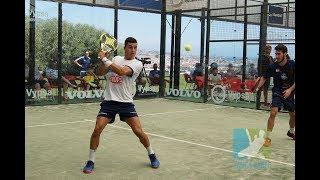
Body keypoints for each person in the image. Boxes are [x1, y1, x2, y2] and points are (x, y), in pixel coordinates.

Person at [82, 37, 160, 174]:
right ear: (124, 48)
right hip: (109, 101)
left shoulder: (137, 64)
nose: (133, 50)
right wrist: (103, 60)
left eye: (135, 47)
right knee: (97, 129)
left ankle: (152, 154)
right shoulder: (116, 58)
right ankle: (90, 160)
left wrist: (106, 60)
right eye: (130, 47)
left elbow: (122, 72)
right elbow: (100, 73)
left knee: (138, 131)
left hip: (126, 103)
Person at [253, 44, 295, 147]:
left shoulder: (292, 64)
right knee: (273, 112)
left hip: (289, 92)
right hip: (277, 92)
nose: (276, 56)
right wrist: (257, 88)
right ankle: (267, 137)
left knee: (293, 115)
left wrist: (290, 89)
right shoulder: (272, 66)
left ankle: (291, 131)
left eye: (279, 54)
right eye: (275, 54)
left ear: (285, 54)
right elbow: (264, 78)